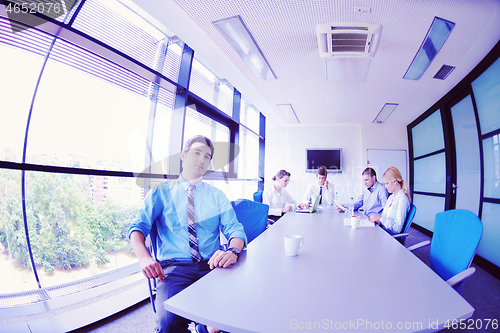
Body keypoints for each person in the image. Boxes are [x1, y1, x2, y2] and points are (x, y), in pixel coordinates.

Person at [128, 135, 247, 333]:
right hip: (175, 269)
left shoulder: (216, 196)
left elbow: (235, 229)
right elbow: (137, 228)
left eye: (207, 156)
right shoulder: (161, 192)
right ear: (183, 156)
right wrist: (143, 258)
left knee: (236, 315)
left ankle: (204, 328)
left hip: (213, 267)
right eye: (197, 153)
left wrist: (233, 251)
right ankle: (205, 327)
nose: (202, 159)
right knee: (168, 323)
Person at [369, 166, 411, 235]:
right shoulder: (391, 197)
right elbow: (385, 217)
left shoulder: (402, 200)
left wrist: (380, 218)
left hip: (389, 237)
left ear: (394, 182)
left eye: (387, 183)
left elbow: (397, 229)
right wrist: (379, 221)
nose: (385, 186)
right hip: (384, 231)